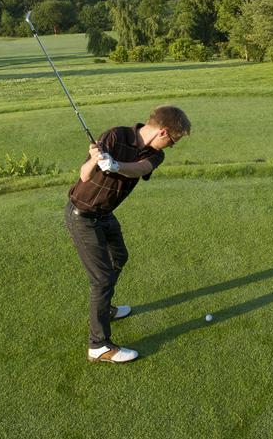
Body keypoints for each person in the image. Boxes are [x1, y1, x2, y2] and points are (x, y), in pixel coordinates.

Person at [65, 105, 191, 364]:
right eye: (173, 140)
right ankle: (98, 346)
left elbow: (139, 169)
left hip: (105, 215)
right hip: (83, 216)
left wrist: (115, 164)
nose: (172, 146)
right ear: (163, 131)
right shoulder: (115, 136)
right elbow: (84, 175)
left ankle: (105, 309)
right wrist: (94, 159)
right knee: (101, 280)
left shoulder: (155, 155)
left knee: (119, 257)